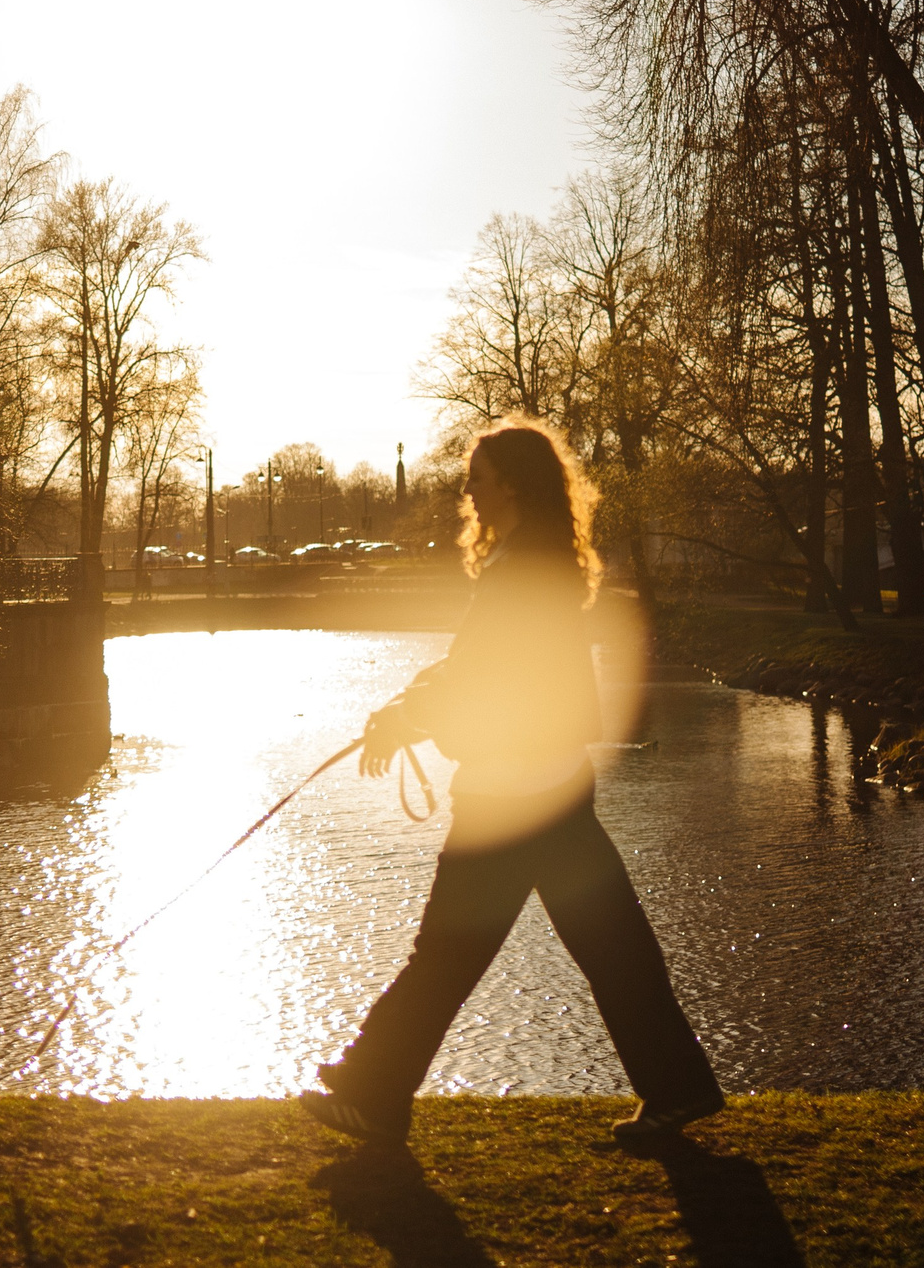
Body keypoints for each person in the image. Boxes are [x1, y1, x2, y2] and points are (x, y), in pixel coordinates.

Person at [298, 419, 723, 1147]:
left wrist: (407, 717)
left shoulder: (525, 569)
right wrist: (404, 707)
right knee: (610, 946)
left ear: (515, 485)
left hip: (514, 794)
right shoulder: (532, 561)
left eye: (480, 477)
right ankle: (679, 1089)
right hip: (546, 788)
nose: (469, 489)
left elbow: (487, 676)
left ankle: (373, 1092)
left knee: (450, 953)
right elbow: (474, 666)